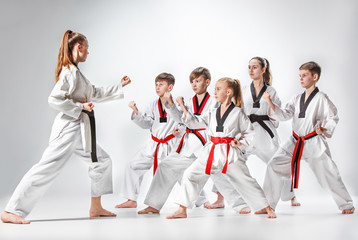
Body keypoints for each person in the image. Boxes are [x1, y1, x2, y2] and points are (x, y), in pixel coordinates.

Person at [1, 30, 131, 224]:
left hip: (80, 129)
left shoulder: (76, 73)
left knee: (102, 161)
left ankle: (96, 207)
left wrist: (119, 86)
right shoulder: (69, 72)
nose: (88, 52)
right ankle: (11, 210)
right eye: (87, 48)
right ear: (78, 47)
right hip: (68, 129)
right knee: (47, 168)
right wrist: (80, 107)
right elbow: (54, 99)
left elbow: (93, 92)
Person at [166, 77, 276, 219]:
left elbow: (249, 133)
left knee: (245, 179)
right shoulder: (212, 112)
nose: (215, 92)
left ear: (228, 92)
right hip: (211, 151)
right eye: (215, 89)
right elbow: (195, 123)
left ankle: (266, 207)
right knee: (190, 174)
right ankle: (182, 209)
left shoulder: (237, 112)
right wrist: (182, 106)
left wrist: (240, 143)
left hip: (230, 152)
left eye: (218, 89)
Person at [256, 61, 354, 215]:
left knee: (329, 173)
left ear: (315, 77)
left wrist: (324, 128)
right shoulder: (296, 98)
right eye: (300, 76)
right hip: (295, 141)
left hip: (313, 141)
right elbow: (284, 114)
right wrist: (270, 102)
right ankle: (268, 205)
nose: (301, 79)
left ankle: (346, 204)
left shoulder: (321, 97)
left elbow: (333, 117)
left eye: (305, 75)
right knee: (274, 165)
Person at [208, 57, 299, 212]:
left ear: (263, 70)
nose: (251, 70)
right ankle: (220, 198)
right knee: (227, 161)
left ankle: (289, 195)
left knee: (278, 163)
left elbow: (276, 115)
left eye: (255, 67)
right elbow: (236, 110)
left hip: (265, 134)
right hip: (246, 133)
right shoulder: (243, 90)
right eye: (249, 67)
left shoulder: (271, 91)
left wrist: (270, 107)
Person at [115, 73, 182, 209]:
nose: (157, 87)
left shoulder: (177, 104)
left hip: (170, 145)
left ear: (170, 87)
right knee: (133, 165)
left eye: (161, 84)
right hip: (153, 144)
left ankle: (201, 199)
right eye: (156, 84)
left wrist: (179, 132)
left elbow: (183, 121)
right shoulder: (153, 104)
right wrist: (136, 112)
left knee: (182, 172)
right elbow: (147, 124)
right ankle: (132, 199)